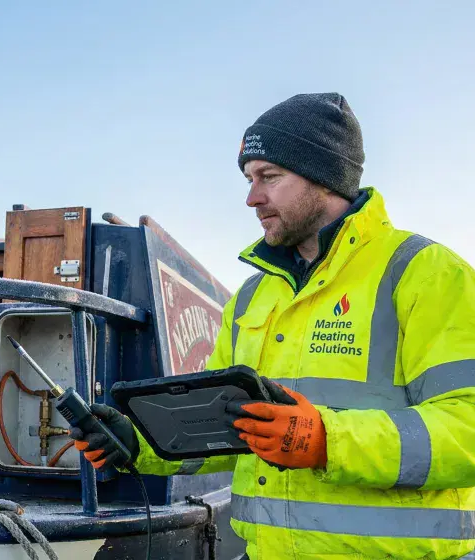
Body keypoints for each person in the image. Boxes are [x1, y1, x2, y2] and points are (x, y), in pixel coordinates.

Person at [69, 93, 475, 559]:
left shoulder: (425, 273)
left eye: (270, 176)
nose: (251, 198)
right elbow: (223, 426)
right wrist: (138, 441)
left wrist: (326, 442)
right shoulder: (251, 298)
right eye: (249, 179)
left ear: (325, 176)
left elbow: (467, 428)